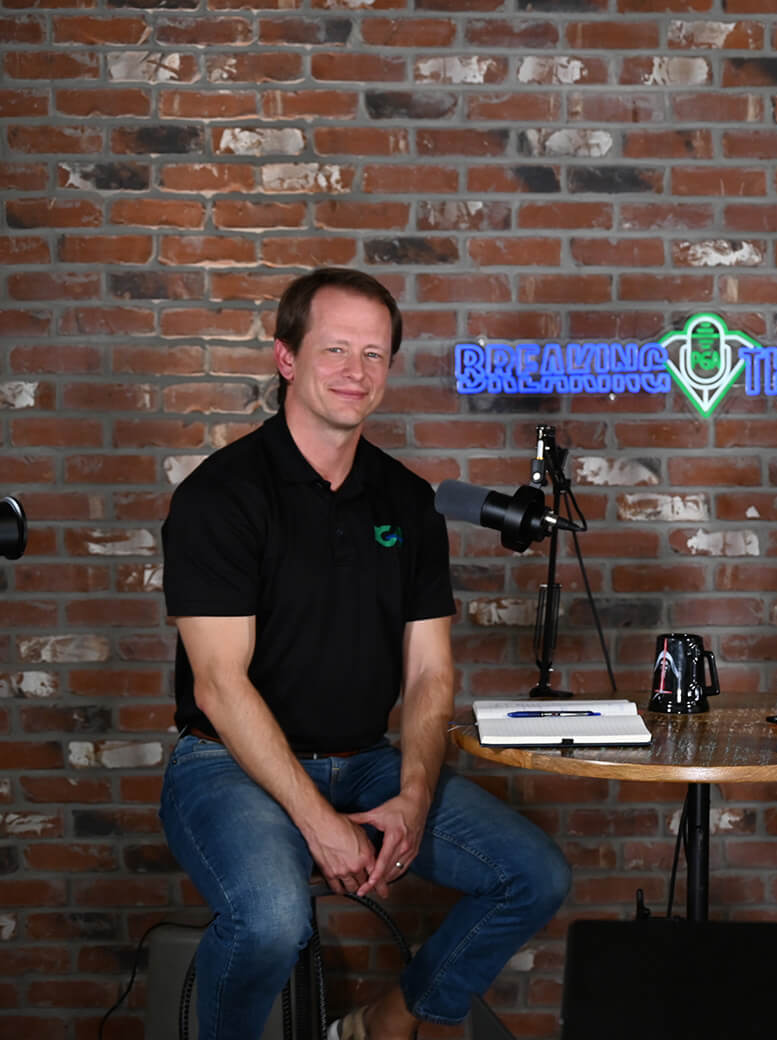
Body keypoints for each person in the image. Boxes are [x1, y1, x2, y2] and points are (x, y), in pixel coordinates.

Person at [158, 268, 571, 1040]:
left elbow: (430, 673)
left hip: (366, 761)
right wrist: (318, 822)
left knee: (534, 874)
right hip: (226, 764)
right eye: (336, 349)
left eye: (375, 354)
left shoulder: (408, 502)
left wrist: (413, 795)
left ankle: (387, 1019)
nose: (357, 371)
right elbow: (218, 685)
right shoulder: (221, 496)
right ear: (287, 357)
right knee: (273, 921)